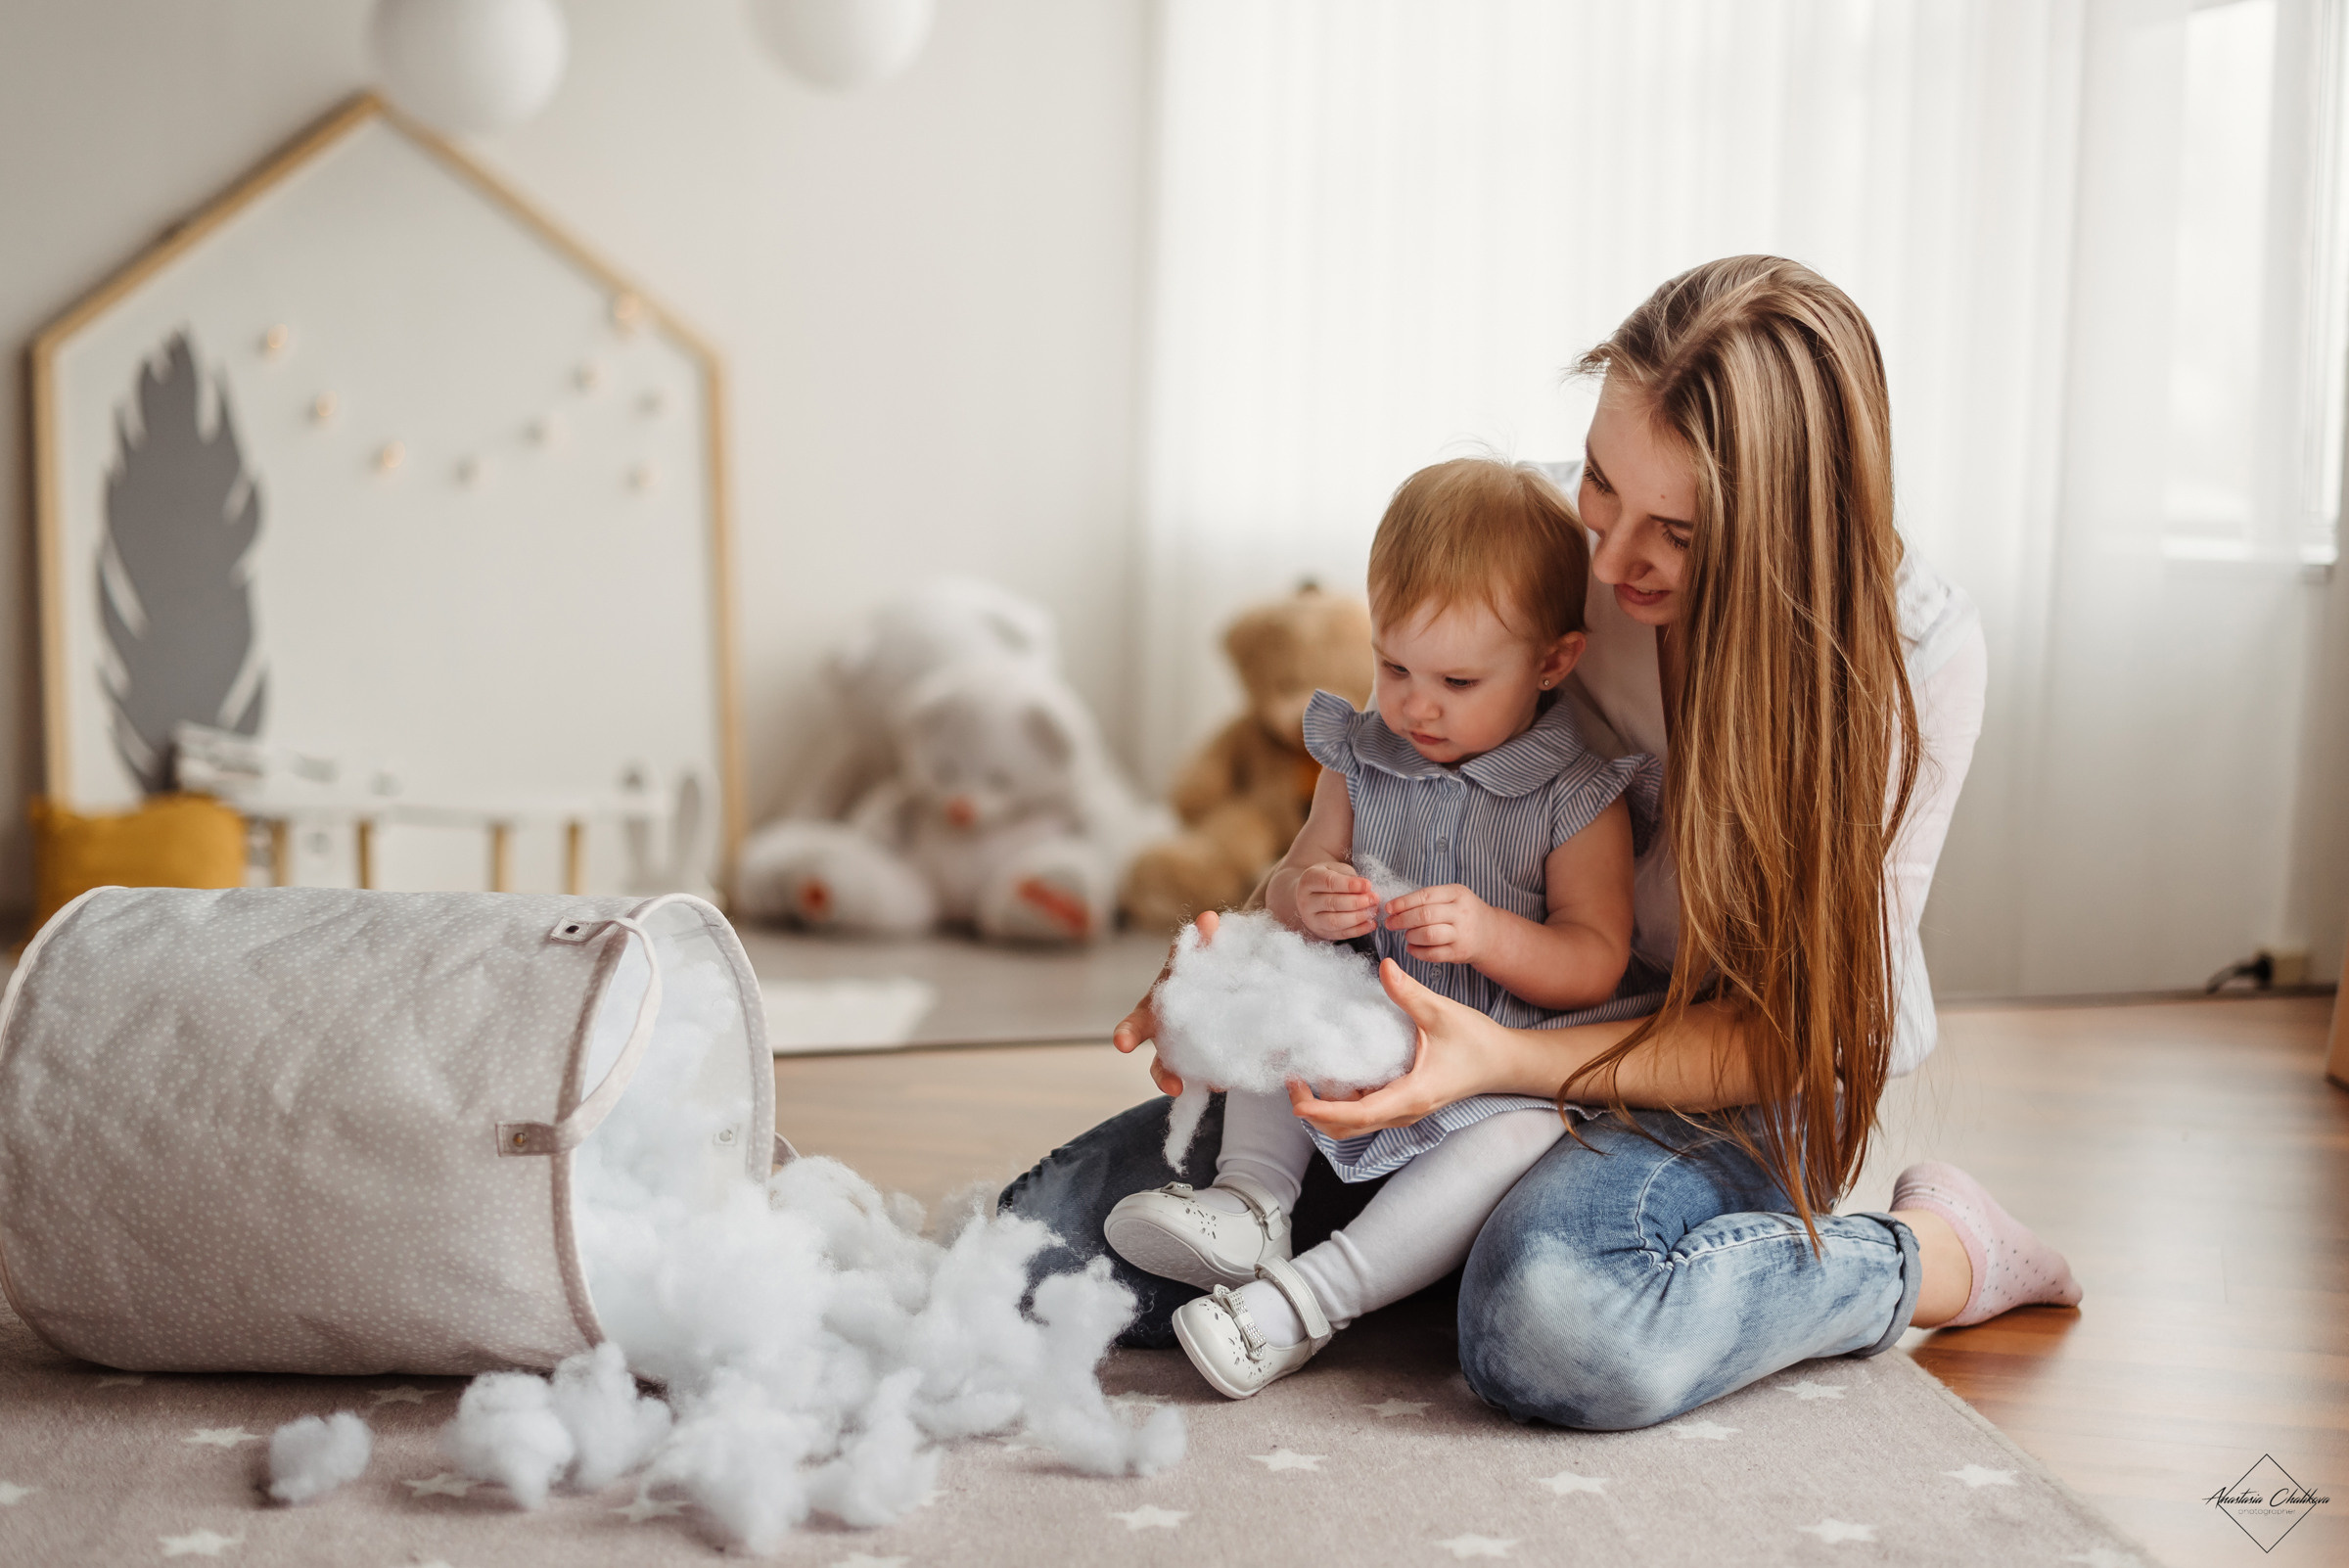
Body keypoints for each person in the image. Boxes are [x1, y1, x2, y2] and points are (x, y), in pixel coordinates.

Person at [1001, 255, 2083, 1430]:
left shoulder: (1909, 660)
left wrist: (1500, 1066)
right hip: (1451, 1023)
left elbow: (1788, 1038)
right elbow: (1381, 790)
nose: (1610, 566)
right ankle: (1441, 1252)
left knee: (1554, 1328)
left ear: (1789, 536)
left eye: (1676, 532)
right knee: (1039, 1252)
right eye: (1603, 484)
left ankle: (1933, 1254)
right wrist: (1247, 971)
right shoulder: (1546, 549)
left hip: (1701, 1083)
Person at [1102, 457, 1653, 1399]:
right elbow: (1286, 879)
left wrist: (1491, 935)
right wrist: (1306, 892)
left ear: (1553, 662)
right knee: (1289, 982)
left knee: (1522, 1139)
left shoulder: (1576, 799)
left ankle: (1305, 1303)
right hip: (1366, 1034)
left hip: (1495, 1070)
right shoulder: (1359, 762)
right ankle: (1252, 1204)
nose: (1414, 704)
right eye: (1392, 665)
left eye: (1457, 679)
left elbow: (1596, 962)